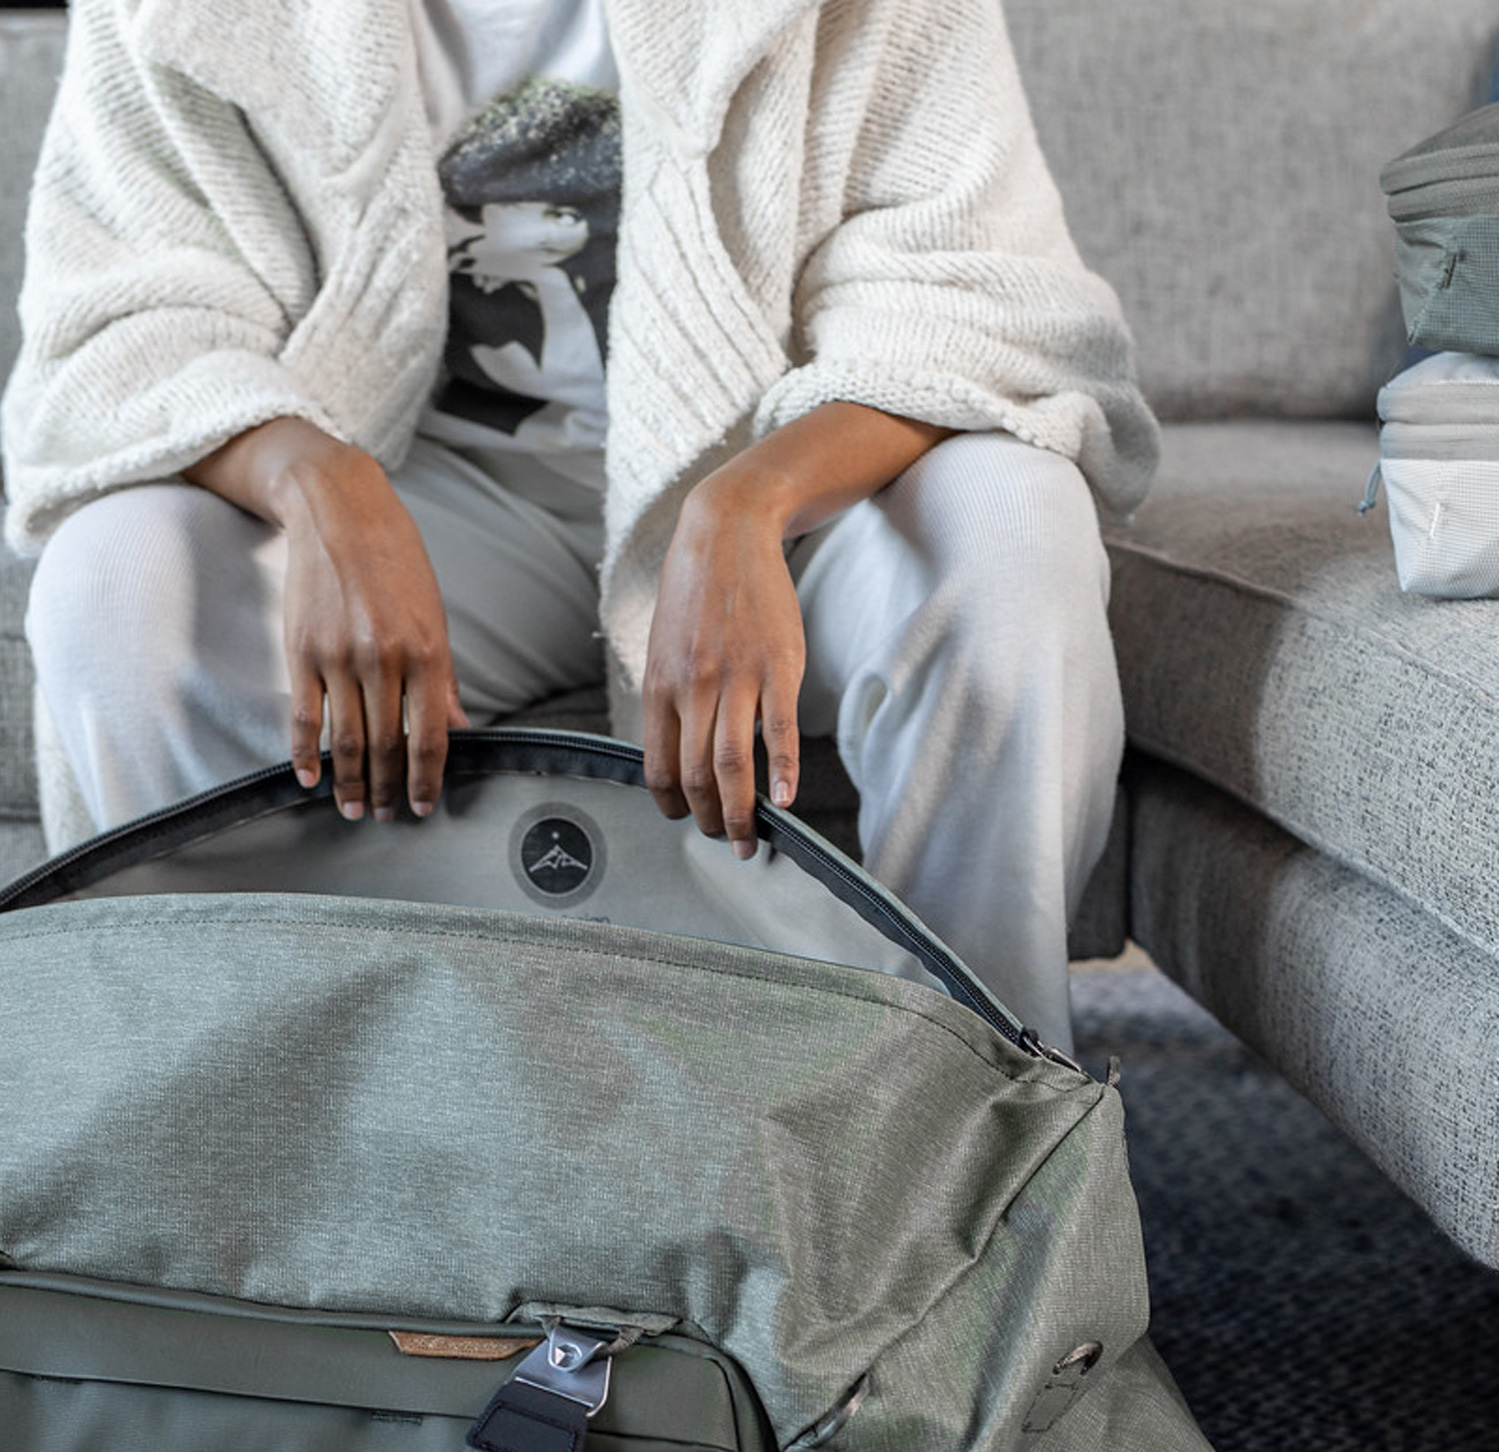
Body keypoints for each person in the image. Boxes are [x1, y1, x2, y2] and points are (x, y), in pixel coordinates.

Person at [3, 0, 1158, 1052]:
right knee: (118, 580)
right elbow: (124, 331)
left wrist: (745, 502)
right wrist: (319, 483)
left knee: (1012, 515)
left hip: (789, 480)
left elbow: (970, 295)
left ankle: (988, 1113)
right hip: (433, 497)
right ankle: (250, 1112)